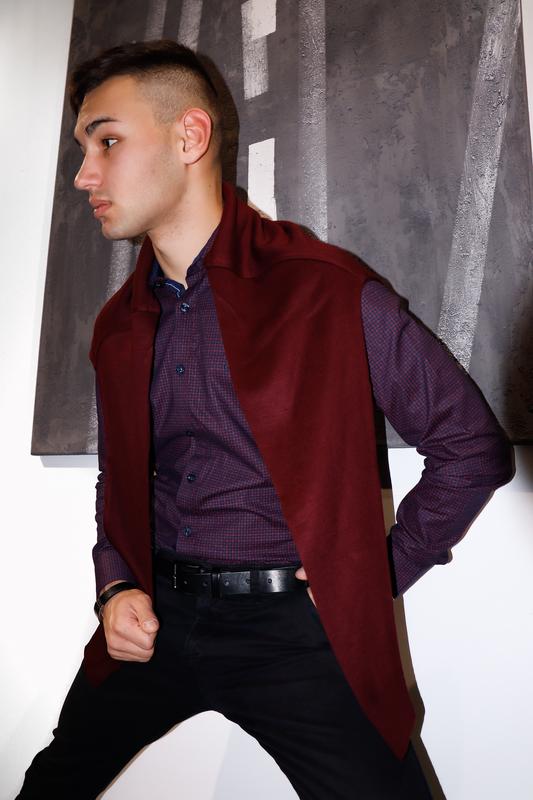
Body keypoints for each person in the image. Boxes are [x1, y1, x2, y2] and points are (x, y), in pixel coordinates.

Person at [17, 40, 513, 799]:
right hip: (157, 620)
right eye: (83, 150)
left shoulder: (328, 292)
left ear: (190, 136)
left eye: (106, 141)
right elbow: (119, 478)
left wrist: (374, 572)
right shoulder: (119, 322)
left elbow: (471, 448)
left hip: (295, 634)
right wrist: (115, 586)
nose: (85, 174)